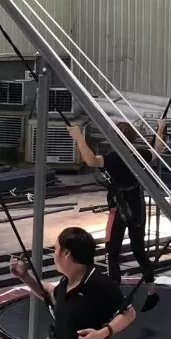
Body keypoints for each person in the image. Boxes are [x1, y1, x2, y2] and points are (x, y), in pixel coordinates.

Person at [69, 118, 166, 295]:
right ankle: (151, 290)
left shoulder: (113, 159)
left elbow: (90, 160)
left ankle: (115, 293)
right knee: (139, 250)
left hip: (119, 209)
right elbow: (157, 150)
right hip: (137, 206)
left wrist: (78, 137)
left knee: (112, 252)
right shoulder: (140, 154)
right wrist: (161, 128)